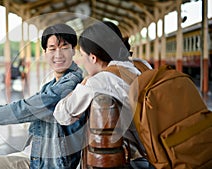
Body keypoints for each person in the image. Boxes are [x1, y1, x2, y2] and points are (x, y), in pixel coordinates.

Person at [0, 23, 86, 169]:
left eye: (64, 47)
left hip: (45, 163)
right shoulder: (51, 85)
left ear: (73, 50)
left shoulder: (71, 85)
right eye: (52, 48)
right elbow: (23, 105)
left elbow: (25, 109)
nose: (58, 54)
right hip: (33, 155)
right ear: (45, 52)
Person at [53, 21, 154, 168]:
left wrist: (83, 83)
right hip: (161, 150)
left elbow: (62, 114)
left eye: (82, 55)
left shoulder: (99, 82)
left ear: (93, 58)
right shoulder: (142, 65)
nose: (82, 61)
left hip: (141, 161)